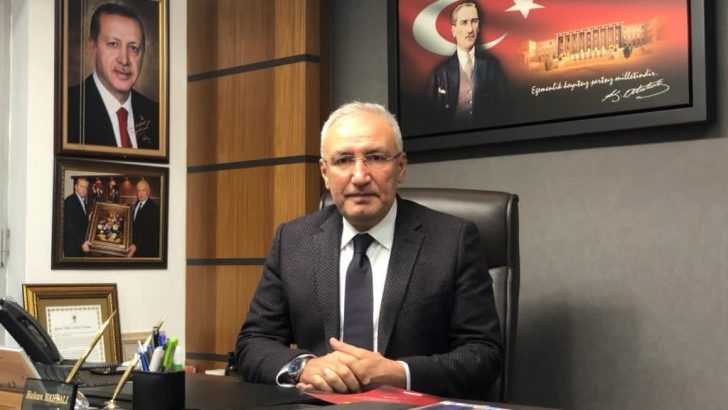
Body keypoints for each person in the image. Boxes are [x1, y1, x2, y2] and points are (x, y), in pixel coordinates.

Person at [235, 102, 502, 400]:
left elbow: (483, 354)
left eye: (375, 158)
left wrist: (397, 373)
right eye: (343, 160)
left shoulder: (452, 240)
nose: (360, 176)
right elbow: (254, 342)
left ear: (401, 167)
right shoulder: (294, 240)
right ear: (325, 172)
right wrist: (305, 367)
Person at [67, 3, 159, 149]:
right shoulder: (67, 108)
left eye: (133, 48)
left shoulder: (157, 115)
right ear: (93, 47)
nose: (124, 60)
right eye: (113, 44)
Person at [427, 1, 509, 130]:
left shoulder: (492, 67)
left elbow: (504, 112)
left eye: (474, 21)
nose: (470, 29)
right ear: (454, 30)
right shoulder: (439, 73)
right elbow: (430, 119)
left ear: (479, 27)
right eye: (464, 22)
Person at [127, 180, 160, 257]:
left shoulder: (153, 207)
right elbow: (136, 226)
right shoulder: (137, 204)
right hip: (134, 248)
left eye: (143, 190)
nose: (141, 193)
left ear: (148, 192)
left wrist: (136, 246)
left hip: (146, 251)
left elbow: (150, 232)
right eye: (139, 191)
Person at [63, 177, 92, 257]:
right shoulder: (70, 201)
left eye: (86, 187)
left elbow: (79, 221)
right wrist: (82, 243)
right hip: (73, 246)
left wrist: (88, 219)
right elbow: (70, 225)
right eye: (81, 186)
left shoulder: (82, 201)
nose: (84, 190)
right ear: (76, 187)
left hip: (79, 245)